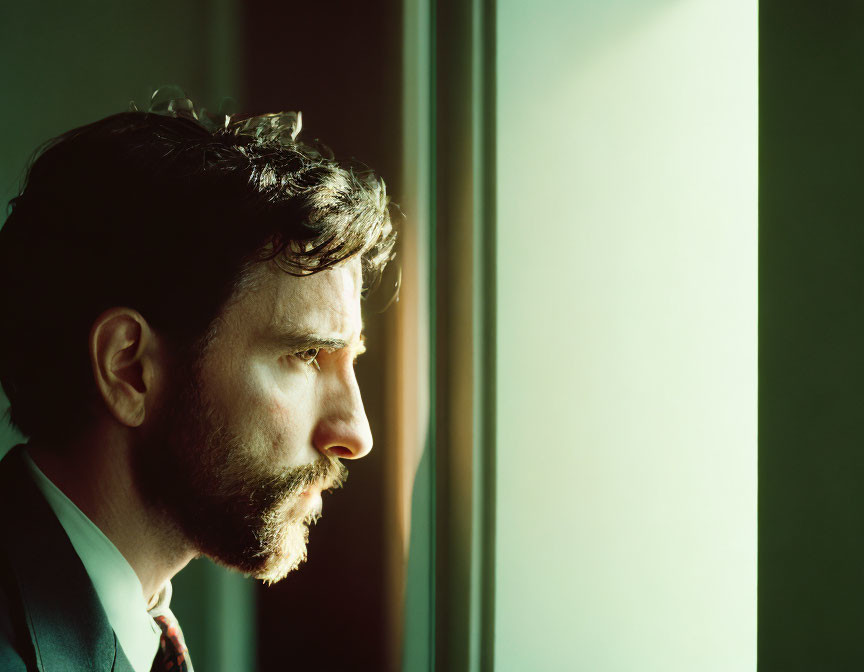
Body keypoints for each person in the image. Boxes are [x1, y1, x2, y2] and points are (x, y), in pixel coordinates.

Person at [0, 92, 396, 671]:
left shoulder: (131, 628)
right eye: (307, 354)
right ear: (129, 368)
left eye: (350, 359)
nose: (355, 433)